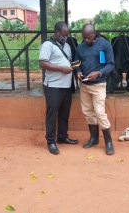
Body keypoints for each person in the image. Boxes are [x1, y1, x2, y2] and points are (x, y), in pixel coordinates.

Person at [39, 21, 79, 155]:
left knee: (64, 113)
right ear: (56, 33)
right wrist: (61, 68)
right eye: (63, 35)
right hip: (53, 86)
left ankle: (62, 137)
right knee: (52, 114)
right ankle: (51, 141)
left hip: (66, 86)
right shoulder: (47, 45)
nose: (65, 38)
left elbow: (67, 61)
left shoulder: (67, 46)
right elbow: (43, 63)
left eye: (66, 36)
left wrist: (74, 66)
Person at [75, 24, 115, 155]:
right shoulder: (80, 47)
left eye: (89, 37)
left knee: (99, 112)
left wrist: (99, 73)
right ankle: (94, 138)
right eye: (84, 37)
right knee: (87, 112)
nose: (86, 40)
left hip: (99, 85)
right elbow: (76, 62)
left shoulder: (105, 44)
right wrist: (78, 71)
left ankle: (108, 142)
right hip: (85, 86)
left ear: (95, 34)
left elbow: (111, 64)